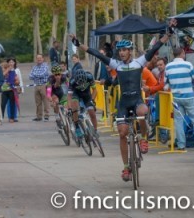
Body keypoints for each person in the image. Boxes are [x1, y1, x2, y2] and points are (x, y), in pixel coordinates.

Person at [71, 28, 171, 182]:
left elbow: (155, 47)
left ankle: (144, 138)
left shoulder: (140, 62)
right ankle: (125, 166)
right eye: (120, 50)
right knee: (123, 133)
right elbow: (96, 54)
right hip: (123, 103)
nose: (122, 53)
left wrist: (168, 34)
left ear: (130, 51)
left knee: (143, 110)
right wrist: (79, 44)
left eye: (125, 50)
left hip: (137, 100)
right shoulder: (116, 64)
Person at [164, 47, 194, 151]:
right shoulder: (188, 65)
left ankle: (181, 145)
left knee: (178, 121)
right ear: (182, 53)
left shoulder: (168, 67)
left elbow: (166, 82)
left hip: (176, 98)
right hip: (189, 96)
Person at [67, 69, 98, 137]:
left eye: (83, 82)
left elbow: (95, 91)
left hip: (87, 94)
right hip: (76, 94)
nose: (82, 84)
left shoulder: (89, 77)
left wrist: (92, 100)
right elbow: (69, 96)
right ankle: (77, 127)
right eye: (80, 83)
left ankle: (95, 130)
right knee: (74, 108)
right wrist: (69, 108)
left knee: (92, 113)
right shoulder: (72, 81)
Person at [46, 64, 68, 129]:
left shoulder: (64, 77)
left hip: (59, 90)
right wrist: (50, 99)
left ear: (61, 73)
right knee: (56, 101)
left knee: (66, 103)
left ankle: (67, 117)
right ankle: (57, 117)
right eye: (56, 75)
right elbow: (48, 92)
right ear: (53, 74)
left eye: (59, 74)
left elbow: (69, 86)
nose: (58, 76)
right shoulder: (50, 79)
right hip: (53, 91)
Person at [29, 54, 50, 121]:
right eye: (37, 58)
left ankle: (46, 115)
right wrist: (36, 75)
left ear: (43, 59)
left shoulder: (45, 66)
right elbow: (30, 76)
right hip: (36, 85)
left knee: (45, 101)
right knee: (38, 102)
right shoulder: (34, 67)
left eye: (40, 58)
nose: (39, 59)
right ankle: (39, 116)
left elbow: (43, 74)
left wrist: (35, 75)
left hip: (43, 85)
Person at [1, 59, 19, 123]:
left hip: (11, 90)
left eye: (3, 68)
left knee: (12, 104)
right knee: (3, 104)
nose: (2, 69)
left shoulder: (13, 72)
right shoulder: (3, 73)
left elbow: (17, 81)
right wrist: (8, 69)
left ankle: (12, 117)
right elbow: (2, 75)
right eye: (2, 68)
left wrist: (16, 82)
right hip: (4, 91)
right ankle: (1, 116)